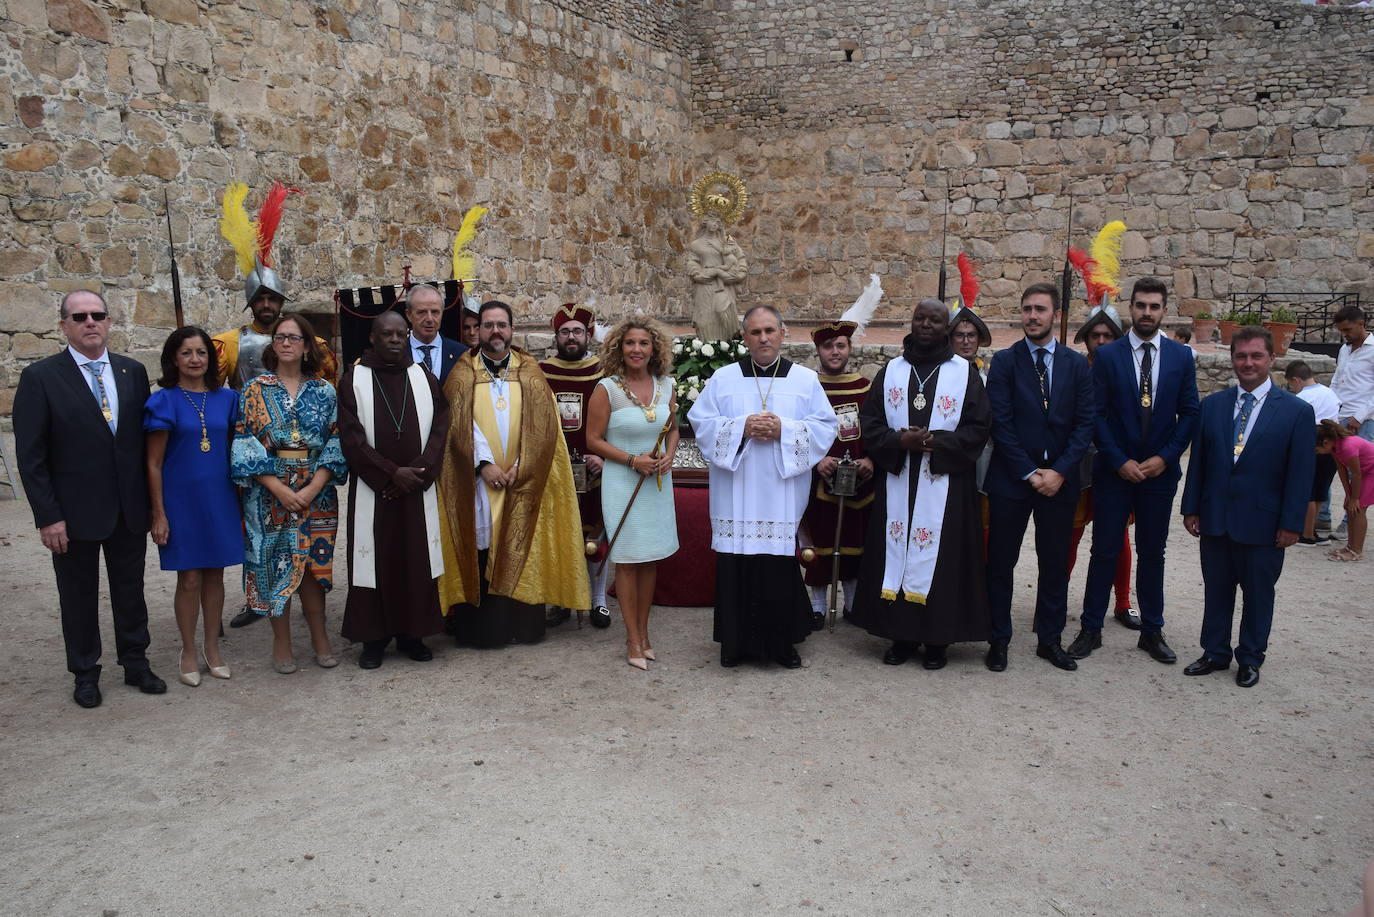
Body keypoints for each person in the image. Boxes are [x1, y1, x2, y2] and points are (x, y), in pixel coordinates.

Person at [13, 290, 166, 708]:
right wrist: (48, 516)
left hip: (127, 508)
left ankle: (136, 662)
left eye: (97, 315)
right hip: (73, 512)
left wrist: (154, 507)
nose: (90, 322)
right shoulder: (41, 377)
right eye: (79, 317)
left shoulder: (131, 372)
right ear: (63, 325)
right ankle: (85, 672)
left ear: (109, 322)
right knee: (78, 595)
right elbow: (32, 456)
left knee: (130, 590)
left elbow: (137, 445)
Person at [688, 305, 838, 668]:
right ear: (744, 338)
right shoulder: (723, 379)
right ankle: (735, 645)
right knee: (736, 565)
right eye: (755, 332)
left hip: (780, 494)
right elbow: (701, 423)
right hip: (735, 490)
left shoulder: (805, 380)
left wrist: (783, 429)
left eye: (770, 330)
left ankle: (782, 645)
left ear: (783, 333)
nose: (764, 338)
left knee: (777, 568)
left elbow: (825, 426)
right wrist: (741, 426)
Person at [435, 300, 590, 647]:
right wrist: (484, 464)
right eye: (488, 325)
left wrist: (523, 464)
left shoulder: (530, 370)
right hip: (479, 480)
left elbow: (544, 425)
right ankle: (485, 631)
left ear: (511, 329)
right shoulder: (463, 372)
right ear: (477, 331)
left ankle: (524, 626)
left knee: (523, 542)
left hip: (523, 478)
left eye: (501, 325)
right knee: (483, 545)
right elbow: (458, 427)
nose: (495, 332)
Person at [850, 298, 992, 670]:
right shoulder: (892, 371)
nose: (926, 324)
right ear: (911, 323)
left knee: (942, 558)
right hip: (898, 479)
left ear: (946, 327)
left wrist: (934, 443)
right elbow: (871, 421)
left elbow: (979, 427)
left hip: (946, 485)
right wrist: (900, 442)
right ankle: (901, 637)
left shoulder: (964, 373)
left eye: (935, 320)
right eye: (920, 318)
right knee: (896, 552)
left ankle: (937, 640)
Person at [1068, 277, 1199, 665]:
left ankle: (1152, 630)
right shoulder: (1109, 356)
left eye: (1154, 306)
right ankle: (1091, 628)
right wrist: (1118, 459)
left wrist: (1166, 457)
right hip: (1115, 471)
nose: (1146, 313)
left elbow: (1190, 412)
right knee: (1104, 549)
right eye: (1140, 305)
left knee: (1153, 552)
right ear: (1131, 307)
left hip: (1159, 474)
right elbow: (1095, 414)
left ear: (1163, 310)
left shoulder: (1179, 357)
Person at [1181, 326, 1314, 687]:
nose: (1248, 363)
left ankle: (1251, 658)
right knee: (1217, 589)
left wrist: (1292, 523)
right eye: (1241, 356)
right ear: (1232, 359)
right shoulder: (1213, 406)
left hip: (1265, 523)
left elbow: (1301, 475)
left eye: (1256, 356)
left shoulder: (1296, 412)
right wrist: (1191, 508)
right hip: (1217, 518)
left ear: (1272, 359)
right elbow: (1200, 463)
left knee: (1258, 594)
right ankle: (1214, 651)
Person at [218, 233, 337, 631]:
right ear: (251, 301)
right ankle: (260, 599)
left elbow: (328, 392)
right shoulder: (229, 344)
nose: (266, 305)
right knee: (259, 542)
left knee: (308, 548)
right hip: (257, 454)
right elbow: (218, 390)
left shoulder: (314, 348)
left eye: (273, 298)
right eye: (260, 298)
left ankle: (309, 607)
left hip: (308, 462)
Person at [984, 284, 1095, 672]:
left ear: (1056, 315)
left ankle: (1049, 639)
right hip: (1012, 479)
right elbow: (1001, 422)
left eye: (1040, 309)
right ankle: (998, 638)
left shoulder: (1076, 364)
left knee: (1054, 563)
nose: (1032, 316)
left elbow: (1084, 425)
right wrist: (1030, 473)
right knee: (1000, 562)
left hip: (1060, 482)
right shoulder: (1004, 362)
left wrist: (1060, 471)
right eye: (1027, 309)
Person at [231, 314, 346, 672]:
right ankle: (281, 642)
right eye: (280, 337)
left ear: (307, 345)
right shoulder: (254, 390)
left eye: (294, 338)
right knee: (274, 565)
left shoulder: (325, 391)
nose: (286, 343)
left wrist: (313, 487)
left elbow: (337, 440)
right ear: (272, 344)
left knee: (313, 567)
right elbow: (244, 443)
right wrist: (278, 488)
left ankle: (320, 637)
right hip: (269, 492)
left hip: (318, 490)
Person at [337, 311, 450, 668]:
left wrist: (416, 474)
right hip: (376, 492)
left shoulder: (424, 378)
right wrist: (389, 475)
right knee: (374, 560)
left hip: (416, 490)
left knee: (416, 560)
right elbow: (351, 438)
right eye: (387, 334)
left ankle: (412, 635)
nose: (396, 340)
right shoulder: (354, 379)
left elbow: (440, 430)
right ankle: (374, 639)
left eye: (401, 334)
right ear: (373, 337)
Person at [144, 327, 243, 686]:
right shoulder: (163, 401)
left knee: (216, 574)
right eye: (186, 353)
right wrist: (158, 513)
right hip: (180, 501)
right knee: (189, 577)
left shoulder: (227, 399)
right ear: (174, 358)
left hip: (220, 497)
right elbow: (153, 463)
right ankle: (187, 649)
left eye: (201, 352)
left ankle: (212, 647)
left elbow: (237, 449)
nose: (195, 359)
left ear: (210, 357)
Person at [586, 318, 680, 669]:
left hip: (656, 483)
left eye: (643, 343)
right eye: (630, 344)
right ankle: (631, 638)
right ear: (619, 349)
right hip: (623, 482)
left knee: (650, 558)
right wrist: (631, 460)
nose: (637, 349)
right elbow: (592, 440)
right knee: (626, 561)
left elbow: (673, 428)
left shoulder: (666, 385)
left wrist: (669, 453)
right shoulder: (606, 389)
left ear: (654, 348)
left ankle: (645, 632)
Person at [798, 319, 875, 629]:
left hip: (860, 478)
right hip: (820, 480)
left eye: (840, 345)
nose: (835, 351)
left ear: (850, 349)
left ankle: (854, 603)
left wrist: (871, 459)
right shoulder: (807, 388)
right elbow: (799, 432)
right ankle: (817, 605)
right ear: (818, 350)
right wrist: (816, 461)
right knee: (820, 541)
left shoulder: (867, 388)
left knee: (855, 538)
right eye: (828, 346)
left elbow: (878, 431)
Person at [539, 303, 611, 629]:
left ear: (588, 335)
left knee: (595, 533)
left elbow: (617, 419)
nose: (571, 337)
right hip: (555, 471)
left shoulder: (604, 372)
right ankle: (562, 599)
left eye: (577, 331)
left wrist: (606, 456)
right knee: (559, 535)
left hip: (594, 469)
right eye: (565, 332)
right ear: (556, 336)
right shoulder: (540, 373)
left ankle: (598, 600)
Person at [1067, 306, 1139, 628]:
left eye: (1107, 335)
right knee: (1070, 536)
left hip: (1115, 465)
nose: (1100, 340)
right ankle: (1053, 601)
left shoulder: (1131, 372)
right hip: (1079, 464)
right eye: (1094, 335)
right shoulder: (1072, 370)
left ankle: (1123, 603)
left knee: (1116, 537)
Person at [1285, 360, 1342, 546]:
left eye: (1291, 384)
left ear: (1296, 380)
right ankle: (1313, 531)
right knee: (1320, 490)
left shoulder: (1301, 398)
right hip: (1331, 445)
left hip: (1312, 444)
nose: (1292, 388)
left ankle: (1306, 533)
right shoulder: (1329, 392)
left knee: (1308, 491)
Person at [1317, 419, 1373, 562]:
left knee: (1359, 509)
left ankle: (1357, 551)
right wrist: (1348, 495)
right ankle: (1350, 547)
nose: (1317, 453)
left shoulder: (1348, 446)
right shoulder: (1335, 447)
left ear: (1325, 442)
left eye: (1317, 450)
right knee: (1350, 508)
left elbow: (1356, 473)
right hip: (1363, 472)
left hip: (1370, 471)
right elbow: (1341, 470)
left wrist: (1355, 498)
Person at [686, 216, 749, 342]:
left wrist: (740, 274)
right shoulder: (696, 244)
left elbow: (740, 258)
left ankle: (726, 348)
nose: (715, 224)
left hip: (724, 285)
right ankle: (706, 349)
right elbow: (692, 262)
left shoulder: (727, 242)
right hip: (705, 285)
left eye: (718, 222)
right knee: (704, 319)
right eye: (712, 221)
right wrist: (697, 274)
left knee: (724, 316)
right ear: (705, 222)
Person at [405, 283, 466, 384]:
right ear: (409, 315)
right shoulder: (396, 354)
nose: (429, 319)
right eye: (422, 312)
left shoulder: (462, 354)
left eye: (435, 312)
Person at [1330, 305, 1374, 441]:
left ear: (1361, 324)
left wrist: (1359, 417)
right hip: (1339, 416)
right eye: (1341, 330)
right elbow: (1336, 380)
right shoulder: (1344, 349)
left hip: (1362, 420)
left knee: (1361, 462)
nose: (1344, 334)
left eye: (1347, 329)